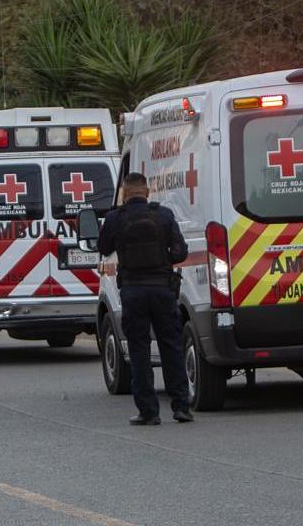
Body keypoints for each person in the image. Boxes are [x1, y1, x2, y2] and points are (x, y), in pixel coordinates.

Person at [98, 172, 192, 425]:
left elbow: (104, 248)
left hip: (132, 292)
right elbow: (180, 251)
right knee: (171, 347)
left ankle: (148, 412)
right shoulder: (163, 215)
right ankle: (181, 407)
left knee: (139, 351)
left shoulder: (115, 218)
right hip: (162, 289)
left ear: (125, 194)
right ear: (147, 192)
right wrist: (162, 262)